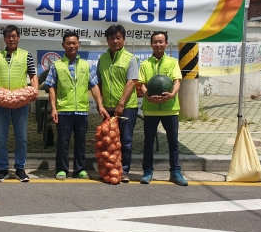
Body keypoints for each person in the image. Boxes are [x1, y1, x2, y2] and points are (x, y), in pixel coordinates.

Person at [44, 31, 110, 180]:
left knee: (81, 142)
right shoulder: (57, 66)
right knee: (63, 142)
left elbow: (94, 86)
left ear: (78, 44)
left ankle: (80, 169)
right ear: (63, 45)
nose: (72, 46)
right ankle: (62, 169)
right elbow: (52, 87)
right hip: (64, 110)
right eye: (68, 43)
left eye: (74, 43)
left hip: (81, 110)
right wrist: (54, 108)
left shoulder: (86, 65)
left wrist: (100, 105)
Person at [0, 25, 38, 183]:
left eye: (14, 36)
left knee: (21, 137)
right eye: (8, 36)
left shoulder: (26, 55)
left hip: (20, 104)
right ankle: (2, 169)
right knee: (1, 138)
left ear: (19, 37)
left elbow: (33, 76)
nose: (11, 39)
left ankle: (20, 168)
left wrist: (34, 91)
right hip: (0, 104)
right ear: (4, 38)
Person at [139, 31, 188, 186]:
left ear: (166, 43)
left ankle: (175, 172)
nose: (158, 44)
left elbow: (177, 82)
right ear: (151, 44)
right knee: (148, 142)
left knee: (173, 143)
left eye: (161, 41)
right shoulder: (145, 64)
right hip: (150, 109)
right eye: (155, 41)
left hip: (170, 108)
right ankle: (147, 172)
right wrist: (147, 96)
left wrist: (171, 94)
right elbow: (142, 84)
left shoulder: (173, 62)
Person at [97, 24, 138, 183]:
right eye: (112, 38)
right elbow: (99, 82)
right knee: (108, 142)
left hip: (126, 107)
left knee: (125, 141)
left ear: (124, 39)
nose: (115, 41)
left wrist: (121, 104)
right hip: (107, 107)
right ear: (107, 40)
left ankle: (124, 171)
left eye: (118, 38)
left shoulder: (130, 58)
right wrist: (100, 104)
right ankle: (109, 170)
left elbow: (132, 82)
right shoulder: (103, 59)